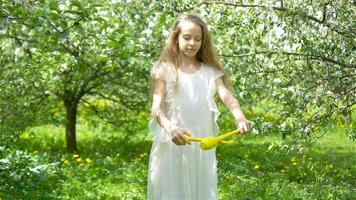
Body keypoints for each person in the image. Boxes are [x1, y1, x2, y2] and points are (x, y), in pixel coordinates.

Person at [147, 13, 251, 200]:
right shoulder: (165, 70)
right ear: (176, 38)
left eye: (197, 39)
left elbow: (228, 97)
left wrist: (240, 116)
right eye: (187, 37)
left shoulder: (210, 72)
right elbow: (156, 109)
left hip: (202, 147)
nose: (192, 43)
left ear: (203, 41)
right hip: (173, 143)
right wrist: (170, 127)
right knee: (174, 193)